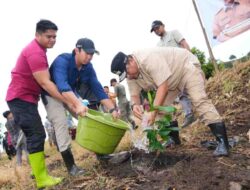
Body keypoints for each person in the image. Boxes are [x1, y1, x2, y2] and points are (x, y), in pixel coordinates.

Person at [111, 48, 230, 157]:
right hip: (171, 81)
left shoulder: (148, 59)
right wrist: (135, 105)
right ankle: (174, 139)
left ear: (130, 61)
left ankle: (223, 142)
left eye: (128, 73)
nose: (129, 78)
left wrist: (152, 114)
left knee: (198, 100)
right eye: (125, 76)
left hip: (184, 67)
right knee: (161, 108)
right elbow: (134, 95)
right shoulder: (130, 75)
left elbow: (163, 87)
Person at [4, 19, 79, 188]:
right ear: (37, 35)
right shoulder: (35, 53)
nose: (52, 39)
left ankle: (39, 174)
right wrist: (69, 101)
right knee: (36, 134)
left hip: (26, 98)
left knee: (35, 134)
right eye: (48, 36)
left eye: (54, 37)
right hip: (20, 98)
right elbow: (45, 83)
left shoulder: (40, 50)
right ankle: (41, 178)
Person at [42, 37, 121, 175]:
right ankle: (71, 167)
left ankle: (102, 155)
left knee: (91, 117)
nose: (89, 57)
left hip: (69, 93)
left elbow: (97, 88)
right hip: (52, 94)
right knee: (61, 122)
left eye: (92, 54)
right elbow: (62, 85)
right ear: (76, 50)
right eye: (87, 53)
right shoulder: (63, 60)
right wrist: (77, 104)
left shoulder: (88, 67)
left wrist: (112, 108)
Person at [150, 20, 195, 128]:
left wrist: (191, 59)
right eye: (154, 30)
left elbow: (184, 44)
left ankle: (198, 109)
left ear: (163, 26)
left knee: (193, 88)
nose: (156, 31)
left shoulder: (173, 33)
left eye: (157, 28)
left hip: (184, 64)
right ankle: (189, 114)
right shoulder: (158, 45)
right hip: (173, 72)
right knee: (182, 93)